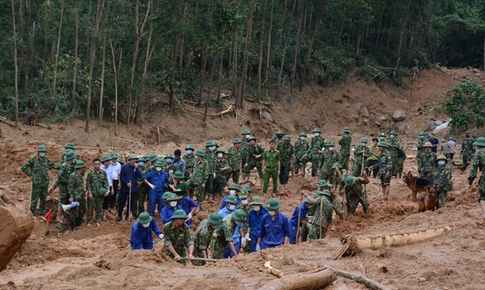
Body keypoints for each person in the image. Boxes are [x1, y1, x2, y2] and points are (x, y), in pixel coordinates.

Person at [21, 145, 58, 216]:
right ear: (38, 152)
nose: (43, 153)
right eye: (42, 152)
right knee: (34, 200)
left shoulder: (46, 160)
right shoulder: (33, 159)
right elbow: (24, 167)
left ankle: (41, 214)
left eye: (44, 152)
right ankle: (32, 214)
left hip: (45, 183)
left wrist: (61, 167)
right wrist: (30, 175)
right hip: (37, 183)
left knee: (43, 199)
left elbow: (53, 166)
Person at [50, 150, 77, 224]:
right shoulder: (64, 165)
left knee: (65, 201)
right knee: (62, 201)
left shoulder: (71, 166)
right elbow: (60, 176)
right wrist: (67, 181)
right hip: (63, 186)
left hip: (68, 186)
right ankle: (59, 217)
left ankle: (62, 216)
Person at [118, 154, 142, 221]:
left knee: (131, 202)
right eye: (133, 159)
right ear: (130, 160)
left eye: (135, 159)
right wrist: (126, 183)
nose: (134, 160)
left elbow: (140, 176)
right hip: (125, 188)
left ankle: (127, 216)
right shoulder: (124, 167)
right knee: (122, 202)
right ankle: (119, 216)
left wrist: (137, 168)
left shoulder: (136, 168)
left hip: (133, 188)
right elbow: (122, 176)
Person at [86, 158, 109, 226]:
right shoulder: (90, 173)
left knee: (99, 208)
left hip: (100, 194)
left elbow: (106, 183)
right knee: (90, 208)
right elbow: (88, 184)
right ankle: (89, 221)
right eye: (95, 164)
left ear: (100, 164)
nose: (97, 165)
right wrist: (89, 193)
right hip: (92, 194)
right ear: (93, 165)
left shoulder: (103, 173)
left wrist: (108, 190)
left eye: (98, 164)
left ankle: (97, 220)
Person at [467, 137, 485, 220]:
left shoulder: (479, 154)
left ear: (478, 145)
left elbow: (474, 170)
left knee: (482, 197)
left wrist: (470, 182)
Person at [68, 160, 87, 231]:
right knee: (73, 211)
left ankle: (78, 221)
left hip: (81, 195)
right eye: (83, 167)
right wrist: (71, 196)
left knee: (83, 209)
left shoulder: (80, 175)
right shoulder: (73, 176)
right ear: (81, 167)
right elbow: (70, 187)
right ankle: (73, 226)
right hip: (75, 196)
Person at [100, 155, 113, 221]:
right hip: (102, 188)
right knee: (100, 202)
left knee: (106, 202)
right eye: (108, 161)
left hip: (109, 187)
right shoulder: (100, 168)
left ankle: (104, 216)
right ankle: (98, 216)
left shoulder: (110, 168)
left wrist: (112, 188)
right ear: (105, 162)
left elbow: (111, 179)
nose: (110, 162)